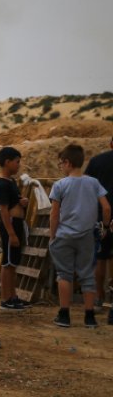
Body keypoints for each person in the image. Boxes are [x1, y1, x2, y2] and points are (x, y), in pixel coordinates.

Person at [49, 144, 111, 328]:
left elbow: (54, 214)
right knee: (87, 275)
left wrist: (53, 236)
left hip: (64, 235)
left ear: (67, 162)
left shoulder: (60, 185)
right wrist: (105, 227)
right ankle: (89, 316)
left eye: (61, 163)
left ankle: (64, 314)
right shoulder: (93, 182)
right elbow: (106, 208)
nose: (60, 167)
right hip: (87, 236)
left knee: (64, 274)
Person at [0, 147, 31, 311]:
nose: (19, 165)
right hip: (9, 223)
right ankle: (6, 299)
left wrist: (21, 201)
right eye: (17, 162)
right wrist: (11, 233)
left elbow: (14, 200)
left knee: (13, 263)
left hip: (17, 223)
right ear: (7, 162)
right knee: (8, 263)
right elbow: (3, 210)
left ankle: (13, 296)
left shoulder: (11, 182)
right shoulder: (2, 184)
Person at [84, 135, 113, 323]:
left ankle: (99, 299)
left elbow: (85, 187)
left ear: (111, 143)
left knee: (100, 258)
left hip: (100, 215)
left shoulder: (96, 161)